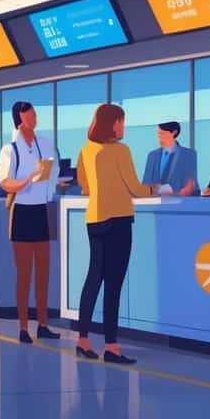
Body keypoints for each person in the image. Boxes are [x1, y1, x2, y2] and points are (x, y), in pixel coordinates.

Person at [75, 104, 157, 365]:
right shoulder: (121, 151)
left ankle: (83, 340)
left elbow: (82, 182)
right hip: (119, 221)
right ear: (112, 123)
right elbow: (135, 187)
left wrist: (98, 188)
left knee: (93, 277)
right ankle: (111, 345)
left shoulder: (86, 149)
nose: (123, 127)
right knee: (114, 284)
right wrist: (159, 189)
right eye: (121, 122)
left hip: (95, 220)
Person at [0, 100, 61, 344]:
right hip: (21, 212)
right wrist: (25, 182)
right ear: (19, 120)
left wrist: (50, 183)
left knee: (43, 272)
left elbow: (53, 170)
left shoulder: (44, 143)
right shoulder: (9, 149)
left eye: (35, 115)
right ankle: (24, 327)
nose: (34, 119)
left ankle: (43, 324)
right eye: (30, 116)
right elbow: (5, 181)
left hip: (41, 210)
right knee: (24, 273)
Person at [141, 121, 197, 196]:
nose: (159, 136)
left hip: (179, 203)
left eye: (162, 134)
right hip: (155, 203)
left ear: (174, 132)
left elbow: (191, 186)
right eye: (158, 133)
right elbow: (145, 184)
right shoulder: (152, 155)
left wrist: (176, 194)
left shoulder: (189, 154)